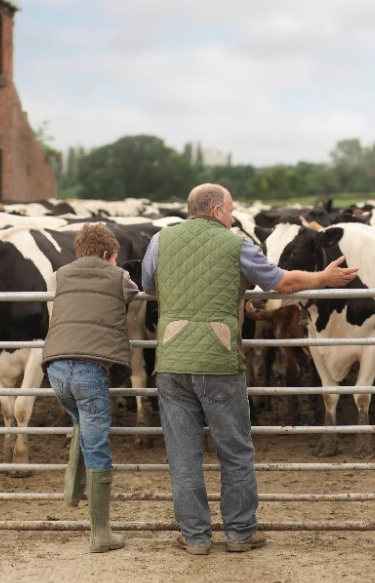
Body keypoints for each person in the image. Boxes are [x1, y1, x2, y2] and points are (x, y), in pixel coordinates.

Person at [142, 183, 358, 555]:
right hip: (218, 358)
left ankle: (195, 537)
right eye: (229, 210)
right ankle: (240, 532)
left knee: (183, 454)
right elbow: (282, 282)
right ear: (215, 211)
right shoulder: (237, 244)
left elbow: (148, 286)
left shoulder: (160, 241)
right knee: (235, 450)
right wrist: (323, 278)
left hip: (172, 360)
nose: (231, 216)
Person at [42, 223, 139, 553]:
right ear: (108, 254)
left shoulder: (59, 275)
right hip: (89, 369)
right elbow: (133, 294)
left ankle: (73, 489)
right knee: (97, 444)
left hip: (55, 369)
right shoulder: (119, 277)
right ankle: (100, 533)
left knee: (81, 424)